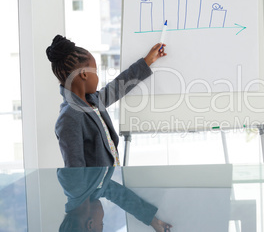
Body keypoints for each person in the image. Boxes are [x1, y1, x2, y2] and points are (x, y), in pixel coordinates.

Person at [46, 35, 166, 167]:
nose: (97, 76)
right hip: (97, 187)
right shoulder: (69, 117)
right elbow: (75, 170)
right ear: (84, 74)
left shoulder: (92, 101)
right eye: (95, 71)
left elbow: (119, 86)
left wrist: (147, 61)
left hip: (110, 181)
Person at [58, 167, 172, 232]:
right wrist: (153, 221)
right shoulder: (91, 193)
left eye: (101, 223)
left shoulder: (71, 182)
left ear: (90, 224)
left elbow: (71, 132)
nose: (102, 219)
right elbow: (121, 196)